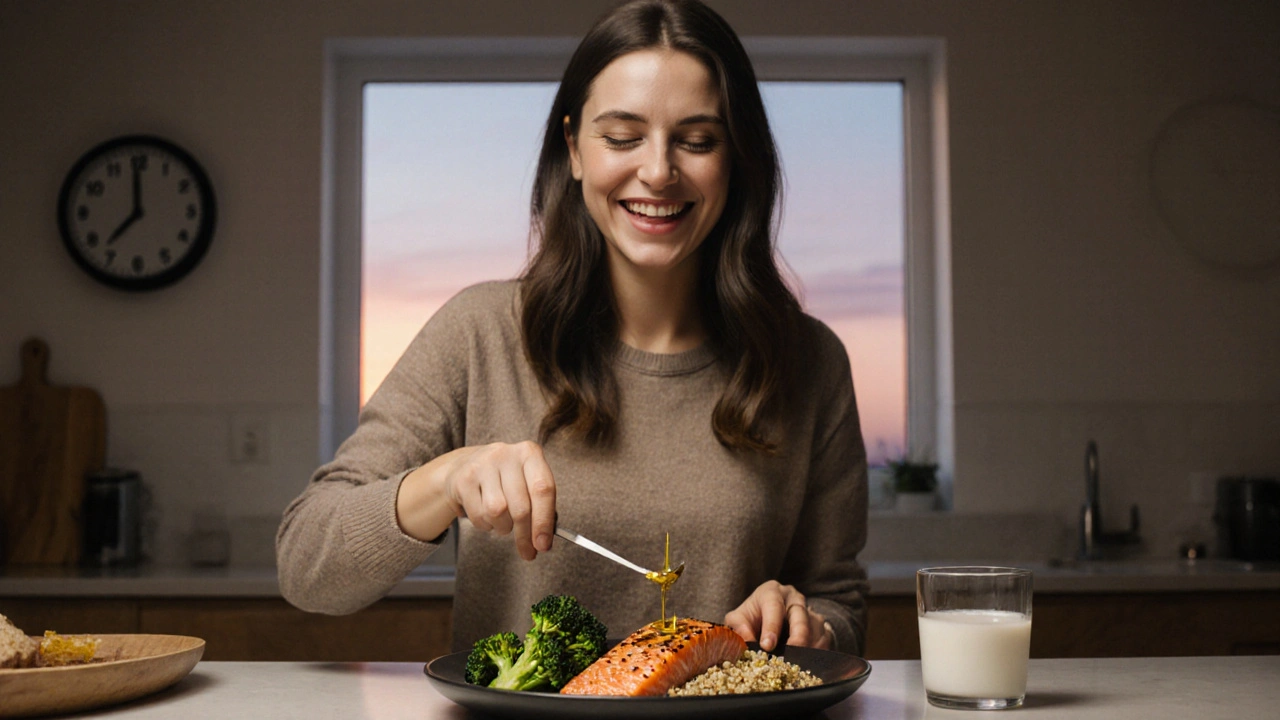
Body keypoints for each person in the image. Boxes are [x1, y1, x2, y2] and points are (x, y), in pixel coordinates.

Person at [277, 0, 869, 656]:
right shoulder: (480, 332)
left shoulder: (810, 360)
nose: (657, 171)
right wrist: (443, 480)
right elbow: (307, 568)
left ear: (737, 158)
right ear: (574, 149)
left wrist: (804, 620)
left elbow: (838, 603)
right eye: (622, 137)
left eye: (697, 140)